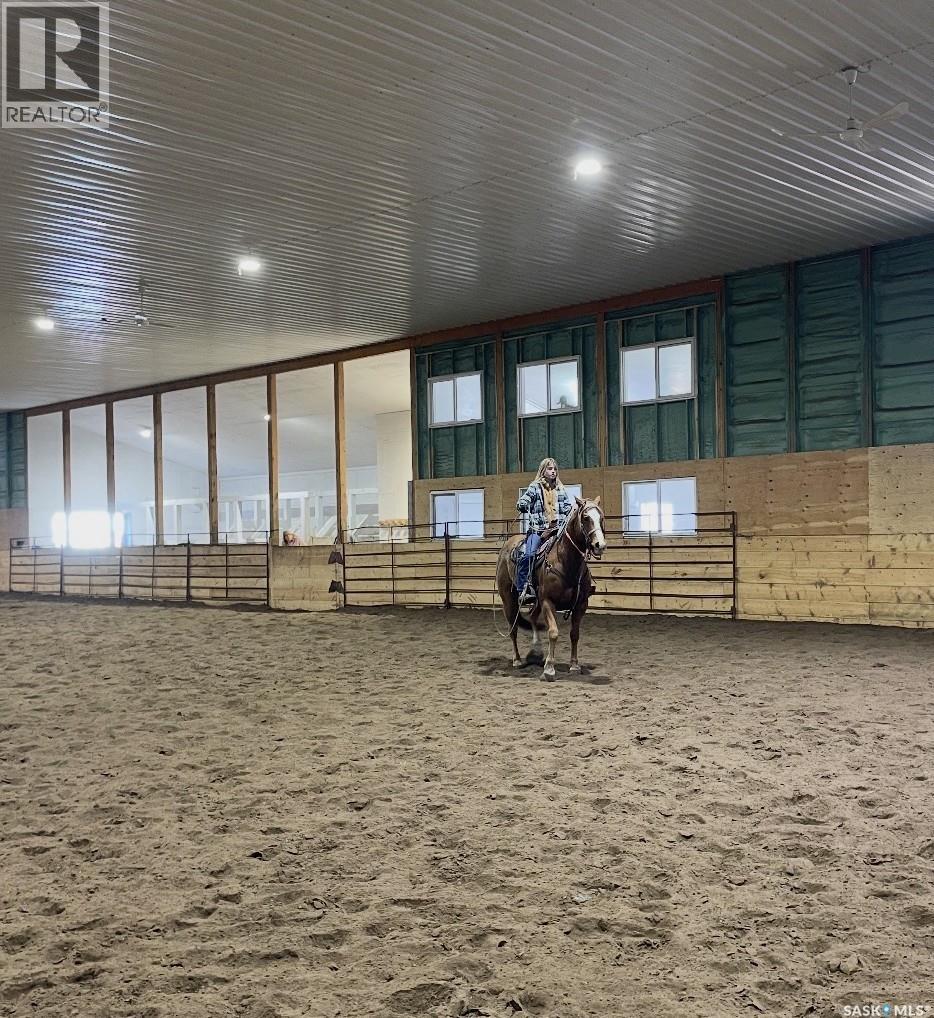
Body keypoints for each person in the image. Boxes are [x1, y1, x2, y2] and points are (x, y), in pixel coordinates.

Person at [515, 457, 572, 608]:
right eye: (550, 469)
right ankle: (523, 588)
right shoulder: (535, 487)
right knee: (529, 555)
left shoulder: (560, 488)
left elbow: (567, 508)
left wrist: (574, 511)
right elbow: (524, 500)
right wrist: (523, 504)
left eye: (554, 469)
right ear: (543, 470)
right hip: (539, 531)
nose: (553, 471)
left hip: (557, 530)